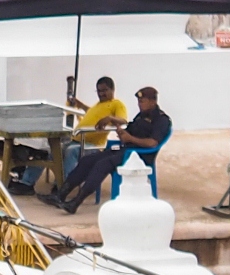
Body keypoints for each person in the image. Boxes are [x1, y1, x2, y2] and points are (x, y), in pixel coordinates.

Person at [56, 83, 171, 212]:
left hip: (138, 156)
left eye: (142, 101)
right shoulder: (141, 116)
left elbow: (152, 143)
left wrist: (130, 139)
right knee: (87, 160)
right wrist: (122, 134)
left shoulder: (162, 120)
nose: (139, 104)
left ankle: (76, 202)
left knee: (102, 164)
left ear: (152, 101)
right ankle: (61, 194)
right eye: (138, 101)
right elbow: (129, 131)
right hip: (124, 151)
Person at [44, 76, 126, 207]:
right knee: (52, 150)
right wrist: (79, 104)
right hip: (76, 139)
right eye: (99, 91)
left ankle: (61, 189)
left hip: (91, 145)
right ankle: (28, 183)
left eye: (104, 90)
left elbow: (123, 121)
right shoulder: (99, 105)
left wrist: (109, 118)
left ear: (112, 89)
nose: (101, 94)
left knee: (71, 152)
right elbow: (91, 113)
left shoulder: (116, 104)